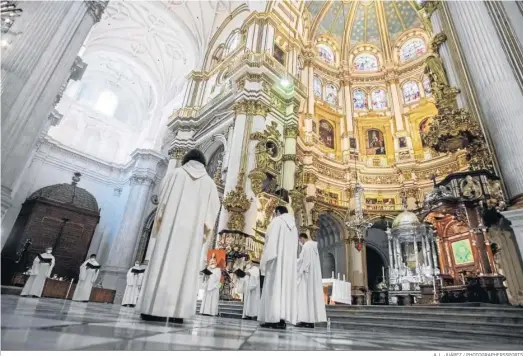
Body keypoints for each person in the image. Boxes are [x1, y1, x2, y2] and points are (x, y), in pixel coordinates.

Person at [138, 149, 220, 324]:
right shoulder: (210, 184)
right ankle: (178, 312)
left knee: (163, 264)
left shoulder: (175, 174)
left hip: (170, 229)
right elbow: (213, 211)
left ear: (186, 159)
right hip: (192, 235)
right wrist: (204, 231)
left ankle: (153, 309)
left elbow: (162, 199)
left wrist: (160, 222)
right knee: (186, 268)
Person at [258, 206, 298, 330]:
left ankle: (272, 319)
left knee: (274, 289)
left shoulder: (277, 221)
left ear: (277, 212)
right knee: (284, 291)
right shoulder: (294, 227)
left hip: (276, 262)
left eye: (274, 213)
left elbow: (270, 241)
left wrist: (264, 261)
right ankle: (281, 320)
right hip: (288, 265)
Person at [296, 233, 327, 328]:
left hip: (306, 275)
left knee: (305, 298)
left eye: (300, 240)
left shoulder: (307, 246)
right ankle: (309, 320)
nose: (300, 243)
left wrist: (299, 271)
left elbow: (305, 261)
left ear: (302, 238)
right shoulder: (313, 247)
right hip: (311, 276)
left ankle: (305, 320)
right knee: (310, 298)